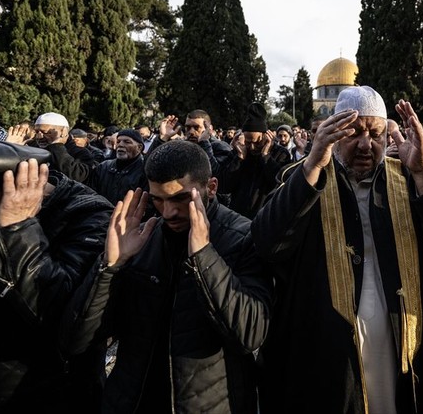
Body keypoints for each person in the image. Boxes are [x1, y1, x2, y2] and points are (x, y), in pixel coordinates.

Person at [252, 86, 423, 413]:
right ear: (334, 134)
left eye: (376, 134)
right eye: (354, 134)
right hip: (330, 357)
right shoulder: (304, 178)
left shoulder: (407, 180)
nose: (366, 144)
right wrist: (311, 166)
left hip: (400, 349)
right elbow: (267, 243)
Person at [61, 139, 273, 413]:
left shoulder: (244, 237)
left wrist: (204, 255)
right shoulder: (142, 238)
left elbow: (250, 335)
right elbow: (78, 339)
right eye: (158, 200)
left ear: (211, 187)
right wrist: (110, 266)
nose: (168, 212)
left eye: (180, 198)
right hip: (132, 401)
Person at [0, 141, 111, 413]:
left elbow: (65, 320)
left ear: (18, 191)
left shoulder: (89, 216)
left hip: (53, 395)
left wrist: (18, 230)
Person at [219, 103, 292, 218]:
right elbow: (224, 186)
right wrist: (239, 158)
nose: (252, 147)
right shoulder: (239, 151)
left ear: (266, 136)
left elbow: (280, 185)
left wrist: (266, 156)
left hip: (266, 218)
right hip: (237, 219)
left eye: (257, 142)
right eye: (248, 142)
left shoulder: (280, 154)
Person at [90, 128, 147, 205]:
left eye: (127, 142)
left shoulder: (145, 171)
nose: (120, 145)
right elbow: (91, 194)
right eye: (118, 141)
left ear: (139, 147)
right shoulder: (103, 167)